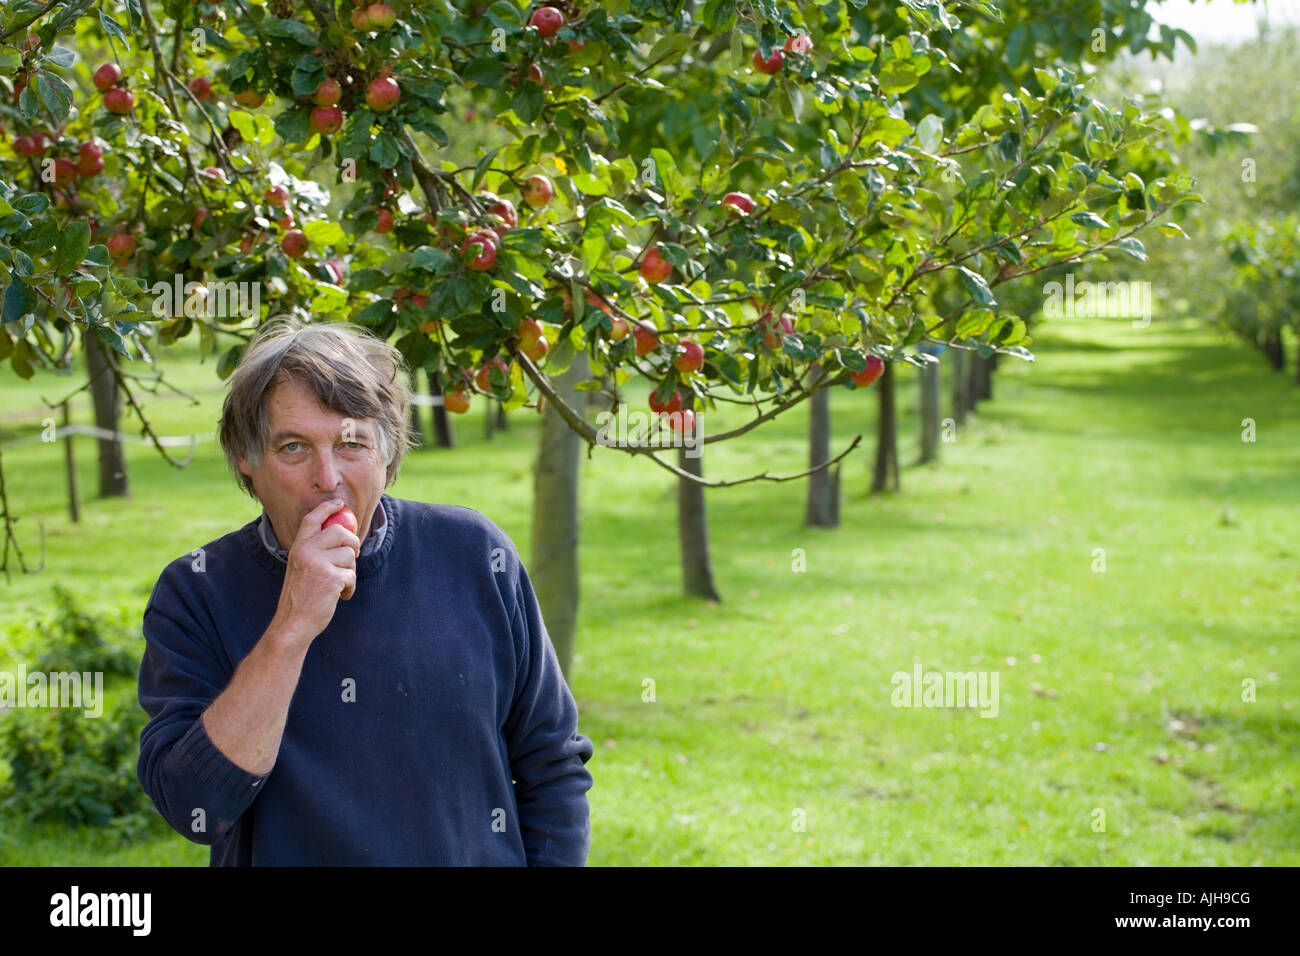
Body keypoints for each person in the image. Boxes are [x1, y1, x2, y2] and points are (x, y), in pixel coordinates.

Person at [136, 318, 594, 865]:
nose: (327, 477)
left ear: (387, 453)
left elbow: (553, 767)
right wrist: (293, 624)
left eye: (351, 442)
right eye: (293, 447)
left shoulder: (475, 554)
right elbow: (196, 809)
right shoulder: (196, 591)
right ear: (247, 460)